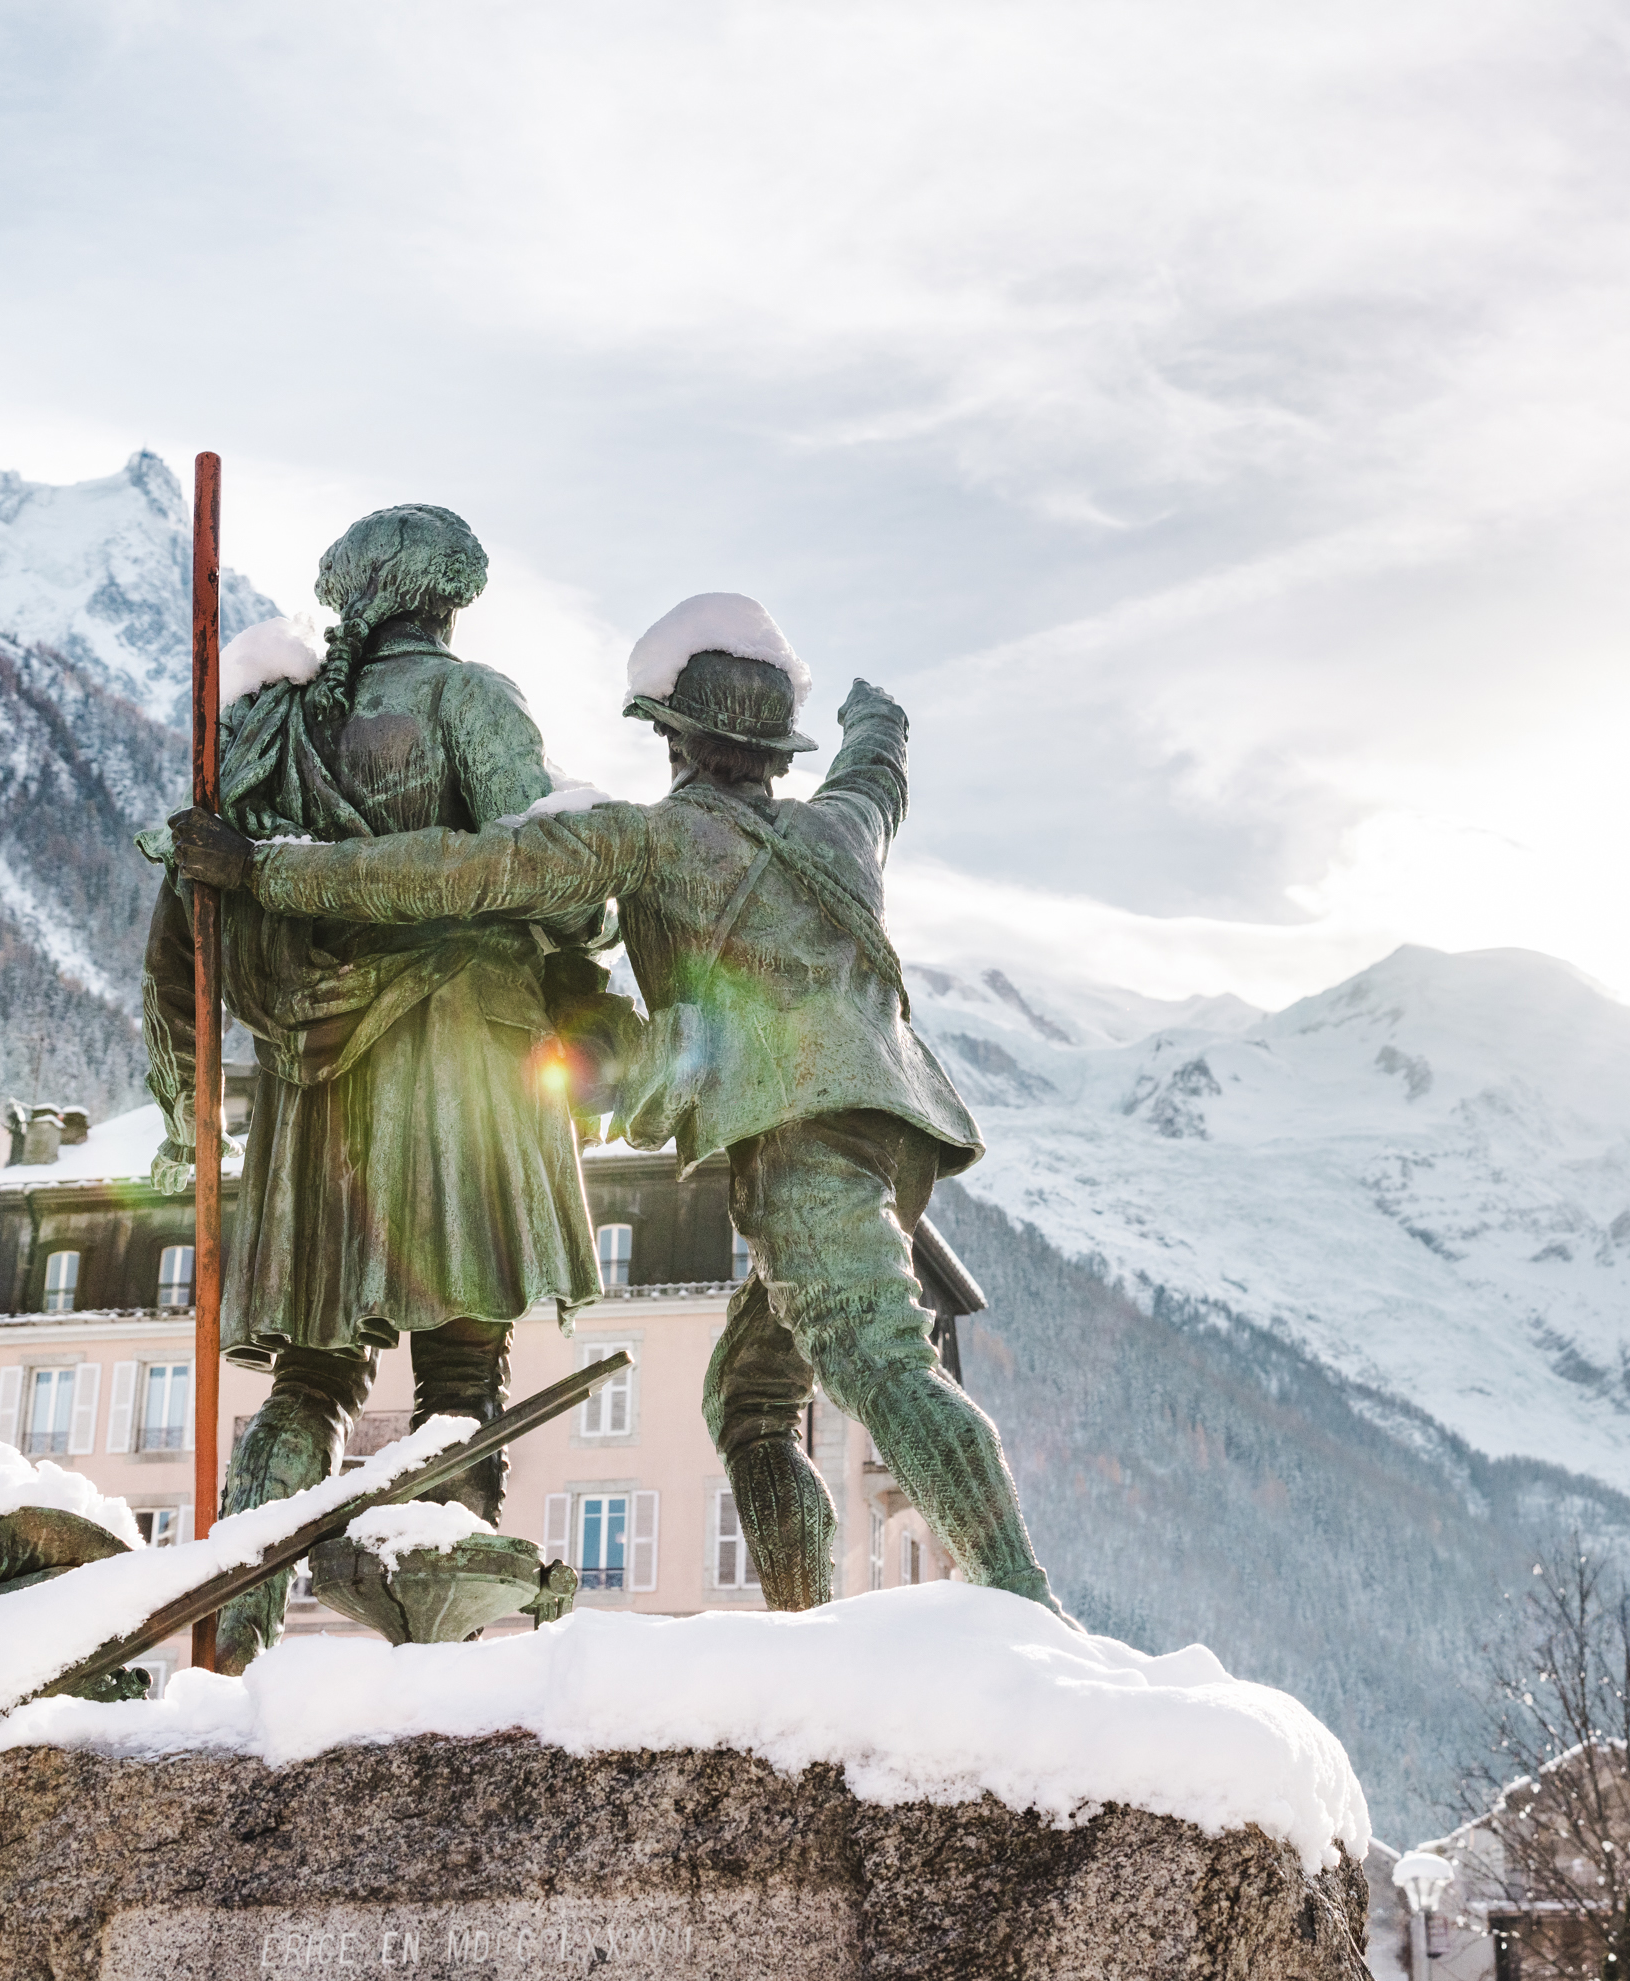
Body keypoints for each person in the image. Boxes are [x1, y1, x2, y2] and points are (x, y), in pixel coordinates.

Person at [166, 592, 1067, 1621]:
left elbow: (460, 870)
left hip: (798, 1133)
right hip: (893, 1125)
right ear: (775, 749)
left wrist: (269, 869)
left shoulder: (645, 840)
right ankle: (809, 1628)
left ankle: (1026, 1604)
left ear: (674, 738)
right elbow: (879, 772)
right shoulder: (842, 830)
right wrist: (876, 711)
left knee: (878, 1357)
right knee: (750, 1404)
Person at [141, 504, 622, 1671]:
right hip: (467, 1063)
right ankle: (443, 1646)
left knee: (311, 1373)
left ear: (353, 597)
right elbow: (558, 885)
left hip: (321, 1085)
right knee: (460, 1364)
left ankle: (230, 1629)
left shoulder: (270, 730)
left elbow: (189, 921)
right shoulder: (473, 703)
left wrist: (183, 1101)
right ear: (448, 597)